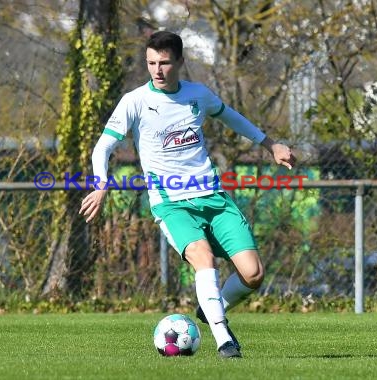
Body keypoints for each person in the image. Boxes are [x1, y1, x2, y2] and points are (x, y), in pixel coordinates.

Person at [79, 30, 296, 359]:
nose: (157, 70)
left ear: (179, 61)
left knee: (253, 274)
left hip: (213, 198)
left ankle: (209, 310)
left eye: (164, 63)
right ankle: (224, 339)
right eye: (151, 63)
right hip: (171, 203)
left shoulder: (198, 95)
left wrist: (269, 144)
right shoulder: (135, 101)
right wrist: (101, 184)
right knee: (202, 257)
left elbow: (232, 117)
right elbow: (104, 146)